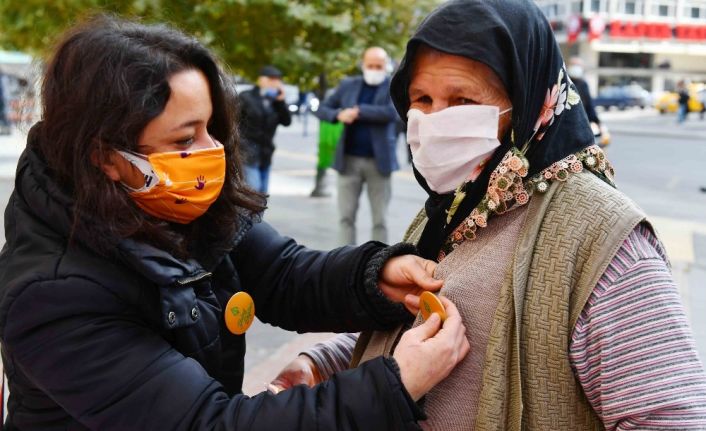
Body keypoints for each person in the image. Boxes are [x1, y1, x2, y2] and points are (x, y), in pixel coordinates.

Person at [0, 17, 473, 430]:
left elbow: (285, 275)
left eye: (211, 128)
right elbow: (209, 423)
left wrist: (374, 279)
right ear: (105, 156)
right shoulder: (53, 296)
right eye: (186, 138)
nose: (213, 151)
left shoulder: (178, 208)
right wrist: (396, 384)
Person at [272, 1, 706, 429]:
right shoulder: (456, 204)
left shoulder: (602, 242)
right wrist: (324, 362)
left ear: (528, 100)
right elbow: (417, 315)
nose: (434, 121)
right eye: (421, 99)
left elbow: (671, 415)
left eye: (462, 100)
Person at [315, 47, 399, 245]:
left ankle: (381, 260)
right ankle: (347, 260)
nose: (374, 69)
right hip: (348, 160)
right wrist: (338, 115)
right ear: (363, 65)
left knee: (380, 220)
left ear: (385, 66)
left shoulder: (393, 86)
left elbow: (392, 113)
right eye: (370, 65)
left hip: (379, 162)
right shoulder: (348, 85)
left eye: (379, 66)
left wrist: (359, 111)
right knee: (346, 217)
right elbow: (323, 108)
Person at [238, 65, 291, 193]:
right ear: (261, 79)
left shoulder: (276, 102)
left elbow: (286, 121)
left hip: (266, 152)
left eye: (277, 79)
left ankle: (254, 214)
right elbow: (234, 120)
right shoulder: (246, 97)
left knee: (263, 193)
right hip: (248, 151)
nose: (275, 83)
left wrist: (281, 102)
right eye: (271, 79)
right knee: (254, 190)